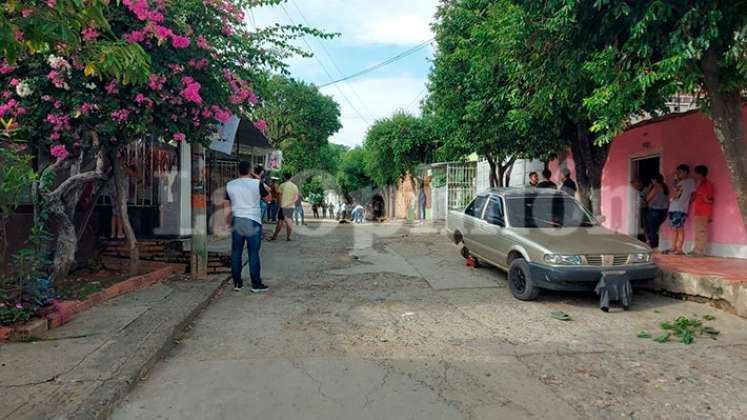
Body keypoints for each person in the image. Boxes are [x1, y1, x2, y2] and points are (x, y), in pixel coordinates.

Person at [224, 161, 270, 293]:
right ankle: (256, 284)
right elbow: (269, 198)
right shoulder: (257, 183)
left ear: (238, 170)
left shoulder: (230, 185)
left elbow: (226, 207)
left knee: (236, 252)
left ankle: (237, 283)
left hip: (237, 220)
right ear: (250, 170)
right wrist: (258, 179)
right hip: (253, 221)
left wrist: (227, 223)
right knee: (253, 253)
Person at [665, 164, 696, 255]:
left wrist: (687, 202)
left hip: (680, 209)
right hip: (673, 207)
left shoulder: (690, 181)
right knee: (674, 228)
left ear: (686, 172)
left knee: (679, 228)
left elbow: (694, 194)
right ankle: (673, 247)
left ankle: (679, 249)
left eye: (680, 172)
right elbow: (675, 189)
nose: (678, 174)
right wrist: (676, 178)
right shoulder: (679, 182)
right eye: (677, 172)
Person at [691, 165, 714, 256]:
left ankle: (699, 251)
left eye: (696, 173)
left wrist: (704, 198)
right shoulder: (700, 184)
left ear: (700, 173)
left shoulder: (708, 184)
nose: (695, 175)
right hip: (698, 211)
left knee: (701, 231)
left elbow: (710, 199)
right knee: (697, 231)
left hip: (704, 212)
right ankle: (696, 249)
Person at [644, 173, 669, 251]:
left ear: (655, 180)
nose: (651, 181)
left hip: (654, 210)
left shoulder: (656, 188)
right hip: (664, 211)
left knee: (652, 230)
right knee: (656, 229)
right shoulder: (665, 187)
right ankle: (656, 246)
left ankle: (653, 247)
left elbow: (647, 198)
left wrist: (649, 188)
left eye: (652, 180)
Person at [272, 173, 299, 241]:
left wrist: (279, 204)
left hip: (283, 206)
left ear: (285, 177)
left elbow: (279, 196)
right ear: (291, 177)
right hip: (290, 206)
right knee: (289, 222)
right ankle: (288, 237)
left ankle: (275, 236)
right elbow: (296, 197)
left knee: (280, 222)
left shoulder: (282, 185)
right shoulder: (295, 186)